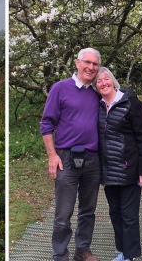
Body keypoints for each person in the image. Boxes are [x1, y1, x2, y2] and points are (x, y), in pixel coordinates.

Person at [40, 48, 102, 261]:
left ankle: (82, 250)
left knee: (88, 210)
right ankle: (60, 255)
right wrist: (51, 155)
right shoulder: (60, 89)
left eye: (95, 64)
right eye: (87, 62)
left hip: (93, 159)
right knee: (63, 213)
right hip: (65, 158)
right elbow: (47, 123)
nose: (91, 67)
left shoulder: (98, 92)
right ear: (77, 63)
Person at [94, 66, 142, 261]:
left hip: (129, 170)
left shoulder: (131, 104)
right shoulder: (99, 106)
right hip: (109, 171)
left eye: (106, 79)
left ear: (113, 80)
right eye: (99, 81)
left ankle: (130, 255)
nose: (103, 83)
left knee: (129, 215)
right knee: (115, 213)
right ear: (96, 86)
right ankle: (122, 250)